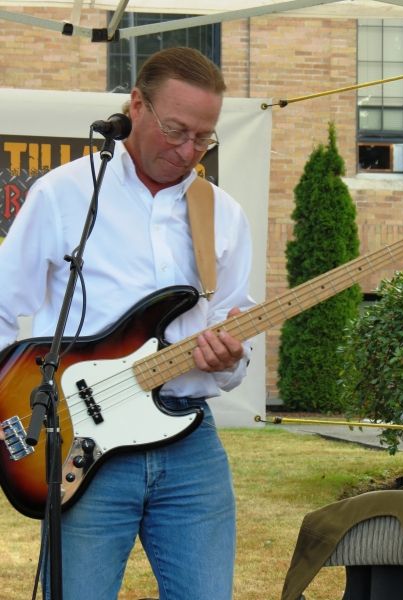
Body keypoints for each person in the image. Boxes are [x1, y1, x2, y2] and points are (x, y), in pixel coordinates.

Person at [0, 47, 254, 600]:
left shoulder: (223, 214)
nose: (187, 150)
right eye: (175, 130)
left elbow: (232, 336)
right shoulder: (64, 194)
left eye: (203, 138)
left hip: (190, 444)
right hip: (80, 441)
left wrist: (230, 359)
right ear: (136, 105)